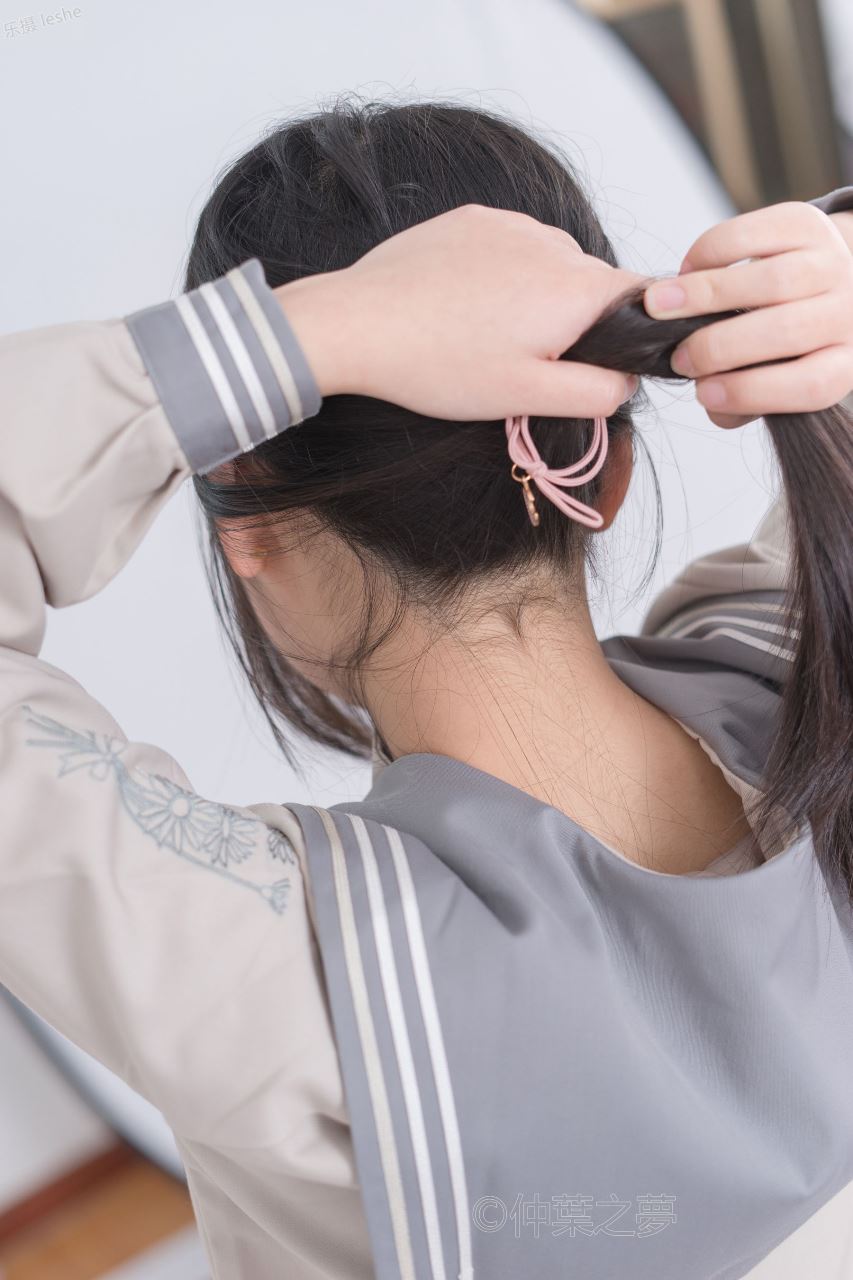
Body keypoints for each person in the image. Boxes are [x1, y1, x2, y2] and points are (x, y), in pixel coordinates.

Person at [1, 100, 852, 1280]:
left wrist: (312, 336)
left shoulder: (284, 976)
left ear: (250, 519)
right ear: (599, 463)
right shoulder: (807, 672)